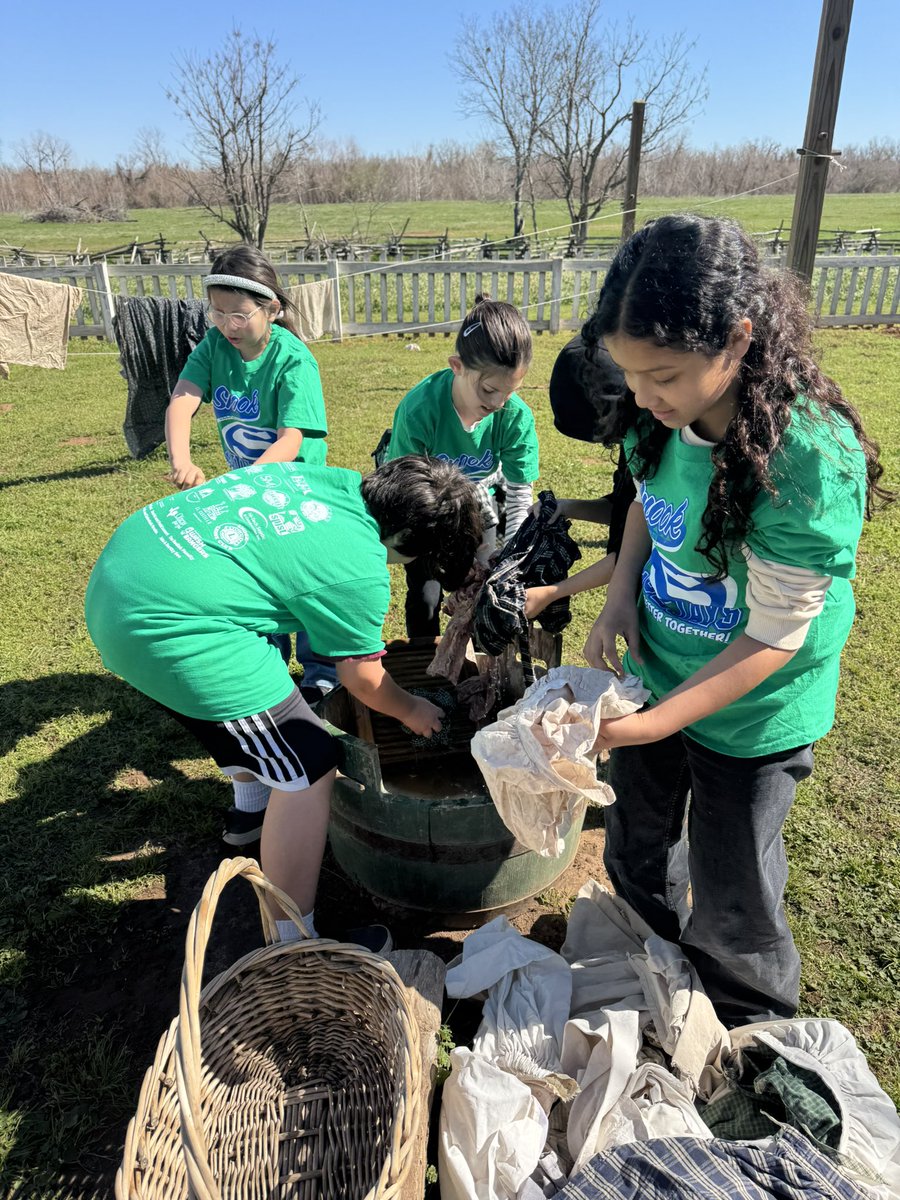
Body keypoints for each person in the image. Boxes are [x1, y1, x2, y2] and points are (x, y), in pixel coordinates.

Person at [580, 214, 889, 1026]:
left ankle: (752, 1022)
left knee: (734, 890)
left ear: (739, 338)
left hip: (754, 709)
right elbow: (648, 496)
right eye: (630, 375)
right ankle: (649, 963)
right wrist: (619, 593)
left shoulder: (808, 458)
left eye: (665, 376)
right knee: (632, 842)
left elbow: (774, 636)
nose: (644, 397)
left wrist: (651, 729)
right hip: (656, 672)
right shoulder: (657, 409)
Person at [84, 456, 482, 951]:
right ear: (405, 541)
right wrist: (411, 710)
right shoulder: (358, 566)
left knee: (259, 716)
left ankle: (250, 813)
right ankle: (294, 939)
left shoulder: (323, 478)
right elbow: (362, 676)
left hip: (124, 576)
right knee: (310, 765)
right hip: (164, 627)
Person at [164, 243, 337, 745]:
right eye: (216, 311)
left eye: (238, 314)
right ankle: (264, 672)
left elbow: (292, 439)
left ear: (272, 309)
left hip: (294, 495)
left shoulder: (293, 359)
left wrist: (243, 482)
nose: (226, 324)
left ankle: (321, 671)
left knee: (302, 581)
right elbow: (182, 400)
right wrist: (182, 460)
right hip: (246, 493)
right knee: (257, 583)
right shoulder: (214, 348)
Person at [384, 296, 538, 638]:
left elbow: (519, 495)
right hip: (427, 510)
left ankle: (481, 665)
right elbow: (408, 497)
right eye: (488, 389)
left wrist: (506, 558)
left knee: (489, 591)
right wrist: (446, 548)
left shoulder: (514, 416)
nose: (498, 403)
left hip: (485, 506)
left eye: (509, 392)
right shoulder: (419, 410)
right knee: (426, 591)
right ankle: (426, 663)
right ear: (457, 366)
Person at [524, 332, 637, 622]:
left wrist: (552, 592)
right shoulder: (634, 437)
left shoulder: (652, 448)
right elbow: (622, 508)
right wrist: (567, 506)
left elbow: (630, 555)